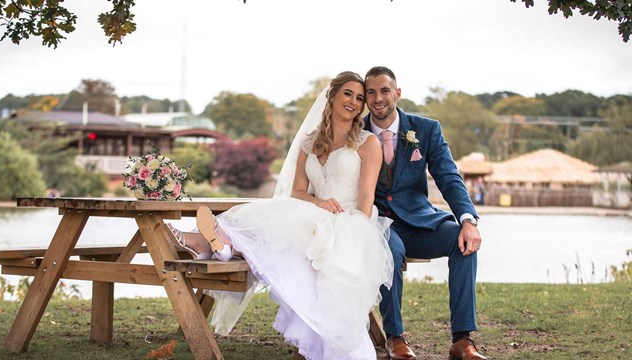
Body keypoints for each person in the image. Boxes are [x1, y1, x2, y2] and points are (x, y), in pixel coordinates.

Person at [167, 71, 394, 360]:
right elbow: (298, 191)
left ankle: (219, 244)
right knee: (269, 215)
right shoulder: (310, 143)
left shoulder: (367, 143)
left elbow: (366, 197)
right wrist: (319, 202)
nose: (354, 101)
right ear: (332, 96)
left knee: (284, 232)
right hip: (314, 210)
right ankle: (218, 242)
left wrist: (356, 234)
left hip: (350, 219)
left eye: (360, 98)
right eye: (348, 93)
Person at [363, 66, 487, 360]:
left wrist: (468, 220)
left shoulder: (426, 129)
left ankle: (462, 340)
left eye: (384, 91)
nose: (378, 98)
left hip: (421, 221)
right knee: (388, 253)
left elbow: (448, 176)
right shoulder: (356, 132)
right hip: (379, 224)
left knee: (464, 243)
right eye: (371, 92)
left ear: (397, 93)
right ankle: (395, 337)